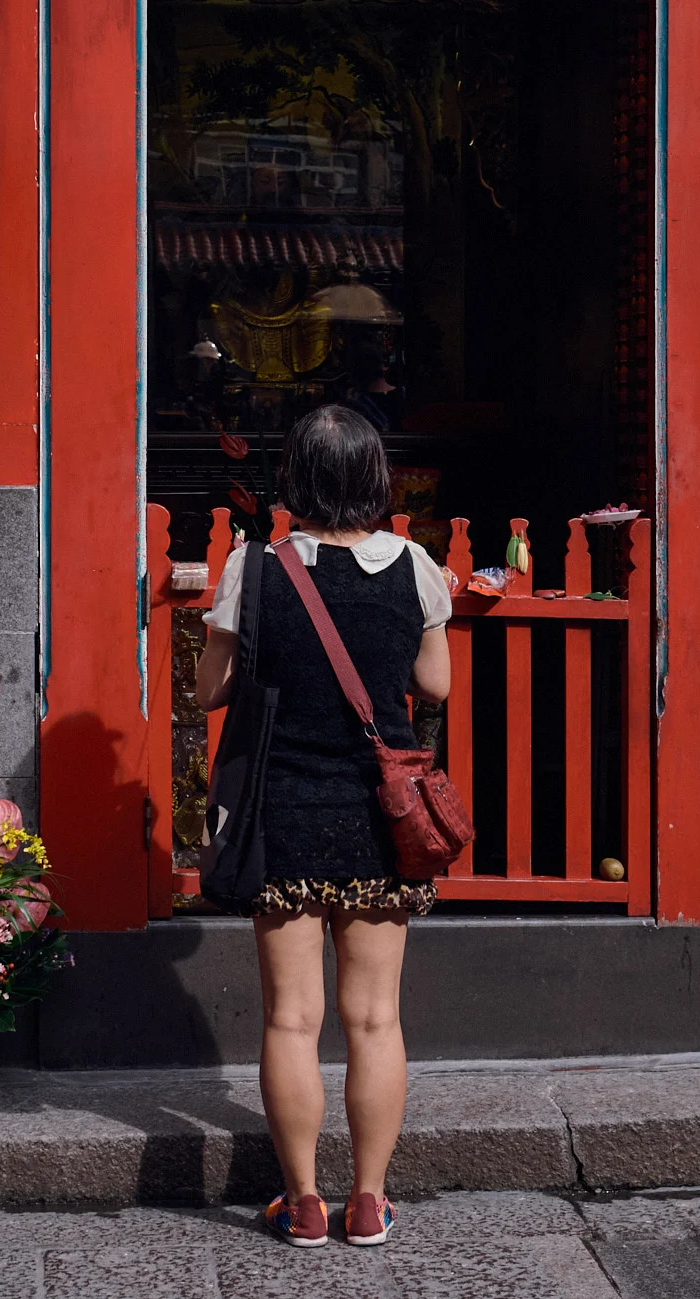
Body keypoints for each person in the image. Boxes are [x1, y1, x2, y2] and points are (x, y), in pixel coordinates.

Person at [194, 406, 453, 1250]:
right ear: (376, 480)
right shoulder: (415, 565)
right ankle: (370, 1202)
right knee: (375, 1017)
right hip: (383, 818)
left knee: (291, 1020)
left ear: (295, 479)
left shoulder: (256, 567)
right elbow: (435, 683)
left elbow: (210, 690)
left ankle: (304, 1203)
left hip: (285, 815)